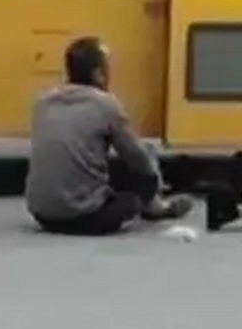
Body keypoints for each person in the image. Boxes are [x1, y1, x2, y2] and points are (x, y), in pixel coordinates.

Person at [25, 37, 193, 234]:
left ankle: (149, 203)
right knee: (133, 192)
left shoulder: (43, 102)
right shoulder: (105, 105)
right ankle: (156, 207)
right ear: (98, 74)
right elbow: (137, 158)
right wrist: (153, 180)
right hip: (83, 216)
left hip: (42, 215)